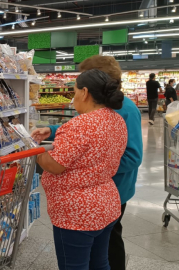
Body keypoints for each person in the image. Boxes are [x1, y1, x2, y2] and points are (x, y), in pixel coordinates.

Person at [32, 55, 143, 270]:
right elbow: (87, 140)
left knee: (76, 264)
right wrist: (55, 132)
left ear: (85, 92)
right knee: (100, 261)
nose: (73, 97)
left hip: (78, 212)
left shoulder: (114, 114)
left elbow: (55, 164)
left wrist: (36, 151)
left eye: (74, 91)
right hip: (106, 201)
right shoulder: (114, 117)